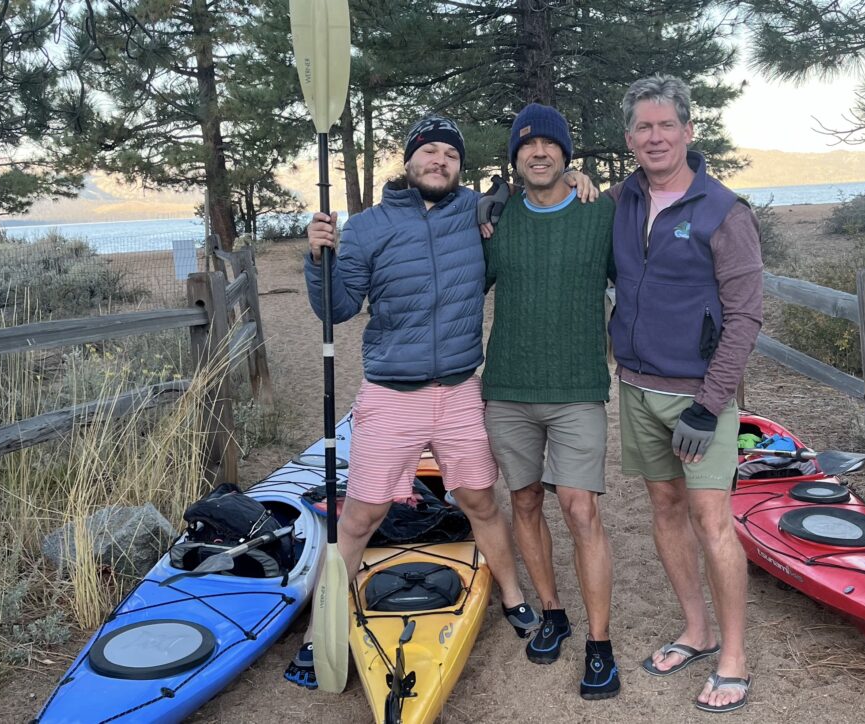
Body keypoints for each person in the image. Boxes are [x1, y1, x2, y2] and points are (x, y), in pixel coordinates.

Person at [286, 115, 593, 689]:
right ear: (408, 163)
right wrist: (318, 259)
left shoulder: (480, 214)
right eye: (427, 152)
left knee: (479, 497)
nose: (438, 161)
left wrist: (576, 176)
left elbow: (533, 195)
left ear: (459, 166)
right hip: (390, 393)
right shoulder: (370, 227)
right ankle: (318, 634)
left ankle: (512, 595)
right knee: (361, 515)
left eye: (449, 154)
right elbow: (337, 308)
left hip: (459, 390)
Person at [607, 75, 763, 713]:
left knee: (711, 520)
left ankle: (734, 656)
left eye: (665, 125)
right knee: (665, 510)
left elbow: (746, 315)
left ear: (688, 131)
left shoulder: (723, 211)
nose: (654, 137)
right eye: (642, 128)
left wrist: (708, 404)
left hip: (699, 398)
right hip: (637, 389)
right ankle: (696, 631)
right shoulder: (620, 201)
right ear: (629, 139)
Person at [482, 103, 619, 700]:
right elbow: (453, 272)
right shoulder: (496, 218)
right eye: (526, 145)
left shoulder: (601, 214)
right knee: (525, 500)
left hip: (577, 388)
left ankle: (599, 644)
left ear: (567, 155)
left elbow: (646, 274)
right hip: (508, 388)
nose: (538, 152)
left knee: (580, 509)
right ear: (514, 158)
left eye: (550, 144)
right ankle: (552, 612)